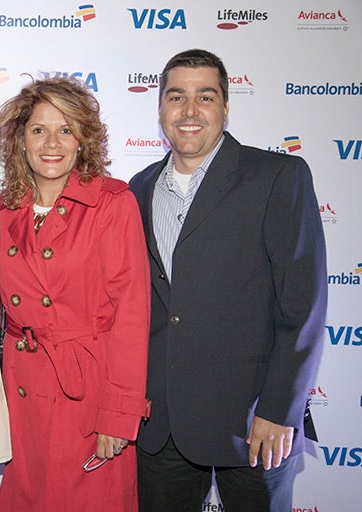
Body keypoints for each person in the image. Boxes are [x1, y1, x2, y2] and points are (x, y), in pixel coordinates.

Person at [128, 49, 327, 512]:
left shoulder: (277, 176)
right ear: (160, 108)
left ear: (225, 106)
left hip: (253, 422)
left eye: (205, 97)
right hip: (161, 425)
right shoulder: (137, 188)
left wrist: (279, 410)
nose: (189, 111)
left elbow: (303, 307)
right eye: (176, 96)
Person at [0, 77, 151, 511]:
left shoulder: (112, 204)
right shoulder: (3, 210)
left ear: (83, 140)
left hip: (88, 392)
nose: (52, 143)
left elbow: (131, 317)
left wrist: (118, 415)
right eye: (39, 130)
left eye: (65, 130)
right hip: (22, 389)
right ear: (20, 139)